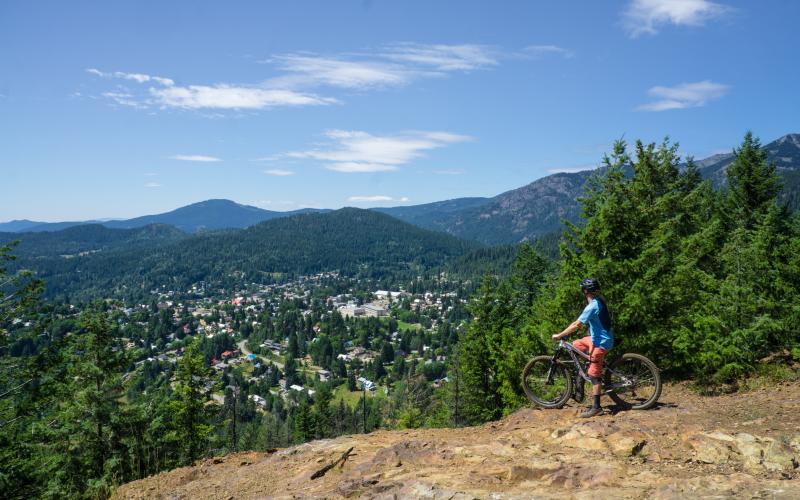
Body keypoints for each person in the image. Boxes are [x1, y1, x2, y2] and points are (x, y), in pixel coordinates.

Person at [551, 278, 613, 418]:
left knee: (594, 376)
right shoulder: (598, 300)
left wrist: (560, 335)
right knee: (576, 344)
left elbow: (576, 325)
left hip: (601, 343)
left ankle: (597, 408)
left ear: (585, 291)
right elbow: (585, 322)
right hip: (596, 339)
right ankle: (589, 365)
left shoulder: (592, 306)